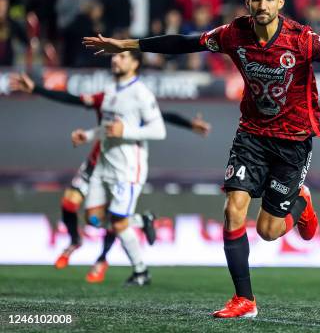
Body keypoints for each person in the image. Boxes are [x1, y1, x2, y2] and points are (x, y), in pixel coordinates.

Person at [83, 0, 320, 316]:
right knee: (233, 209)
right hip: (251, 135)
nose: (262, 5)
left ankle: (301, 203)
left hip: (293, 140)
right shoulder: (232, 34)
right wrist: (127, 44)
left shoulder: (303, 39)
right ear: (248, 2)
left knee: (270, 231)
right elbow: (185, 42)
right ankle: (244, 299)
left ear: (280, 2)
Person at [9, 72, 211, 283]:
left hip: (120, 168)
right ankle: (82, 239)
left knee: (112, 217)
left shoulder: (136, 101)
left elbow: (162, 117)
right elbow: (72, 99)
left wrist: (189, 125)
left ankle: (105, 258)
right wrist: (36, 89)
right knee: (77, 208)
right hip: (96, 163)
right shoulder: (104, 98)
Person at [71, 50, 166, 286]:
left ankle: (141, 272)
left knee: (119, 223)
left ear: (135, 63)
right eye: (114, 56)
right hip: (103, 165)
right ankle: (142, 220)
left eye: (122, 56)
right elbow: (108, 127)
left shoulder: (141, 93)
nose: (115, 59)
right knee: (93, 219)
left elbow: (159, 130)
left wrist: (127, 131)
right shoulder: (110, 89)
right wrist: (89, 134)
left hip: (127, 169)